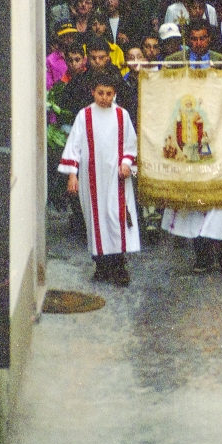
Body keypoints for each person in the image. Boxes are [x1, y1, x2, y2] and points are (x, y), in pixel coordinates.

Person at [162, 19, 222, 275]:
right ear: (187, 39)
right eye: (193, 38)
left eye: (202, 38)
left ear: (209, 38)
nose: (198, 43)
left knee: (219, 200)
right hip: (188, 137)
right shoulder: (174, 61)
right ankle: (202, 256)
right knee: (194, 200)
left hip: (216, 137)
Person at [58, 71, 140, 285]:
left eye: (109, 93)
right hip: (91, 178)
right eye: (100, 93)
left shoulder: (122, 115)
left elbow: (131, 144)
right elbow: (74, 147)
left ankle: (119, 267)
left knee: (116, 217)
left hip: (116, 178)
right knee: (96, 220)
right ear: (92, 91)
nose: (104, 97)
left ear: (115, 94)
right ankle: (101, 267)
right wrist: (72, 176)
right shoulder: (84, 116)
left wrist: (126, 162)